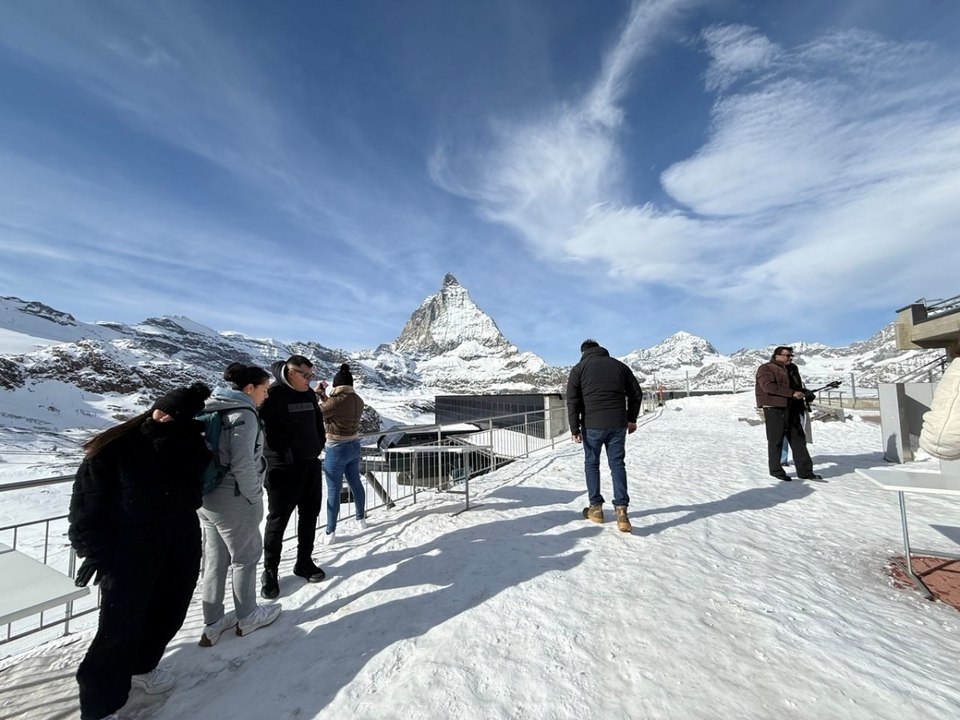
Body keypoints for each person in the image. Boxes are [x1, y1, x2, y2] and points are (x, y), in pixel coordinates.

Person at [68, 382, 212, 720]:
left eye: (172, 416)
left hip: (180, 538)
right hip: (130, 547)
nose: (162, 418)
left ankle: (144, 668)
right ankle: (100, 705)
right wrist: (94, 550)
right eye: (161, 410)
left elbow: (195, 490)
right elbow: (87, 503)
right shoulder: (114, 447)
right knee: (119, 628)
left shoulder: (191, 445)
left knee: (170, 610)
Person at [197, 363, 281, 647]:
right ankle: (247, 616)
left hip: (206, 497)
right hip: (234, 497)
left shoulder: (211, 408)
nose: (266, 396)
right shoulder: (243, 415)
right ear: (249, 388)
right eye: (264, 390)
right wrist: (255, 495)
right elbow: (243, 461)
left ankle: (213, 622)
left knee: (215, 560)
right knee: (245, 558)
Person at [259, 354, 327, 599]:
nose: (309, 380)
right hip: (282, 470)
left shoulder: (309, 394)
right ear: (290, 372)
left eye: (311, 375)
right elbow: (267, 433)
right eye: (305, 375)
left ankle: (304, 562)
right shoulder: (272, 395)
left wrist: (318, 444)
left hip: (310, 465)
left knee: (310, 516)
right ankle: (270, 571)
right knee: (278, 521)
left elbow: (318, 423)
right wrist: (286, 454)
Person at [566, 339, 643, 533]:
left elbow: (573, 401)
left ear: (583, 352)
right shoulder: (619, 366)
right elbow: (636, 394)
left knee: (592, 464)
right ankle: (622, 512)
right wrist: (631, 419)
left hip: (592, 425)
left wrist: (574, 428)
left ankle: (596, 509)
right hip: (617, 423)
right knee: (617, 464)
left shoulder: (579, 369)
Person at [317, 363, 367, 545]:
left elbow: (317, 412)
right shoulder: (358, 399)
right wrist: (325, 397)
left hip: (337, 448)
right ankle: (361, 519)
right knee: (356, 483)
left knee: (333, 490)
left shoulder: (337, 400)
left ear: (337, 386)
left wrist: (317, 394)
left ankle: (330, 532)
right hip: (354, 446)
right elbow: (334, 409)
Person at [755, 346, 821, 481]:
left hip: (794, 408)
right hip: (774, 408)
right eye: (786, 355)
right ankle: (776, 471)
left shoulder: (793, 368)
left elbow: (795, 388)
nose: (790, 358)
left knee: (799, 441)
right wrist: (792, 393)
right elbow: (768, 386)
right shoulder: (766, 368)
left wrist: (805, 393)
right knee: (776, 441)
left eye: (791, 355)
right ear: (777, 356)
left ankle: (806, 473)